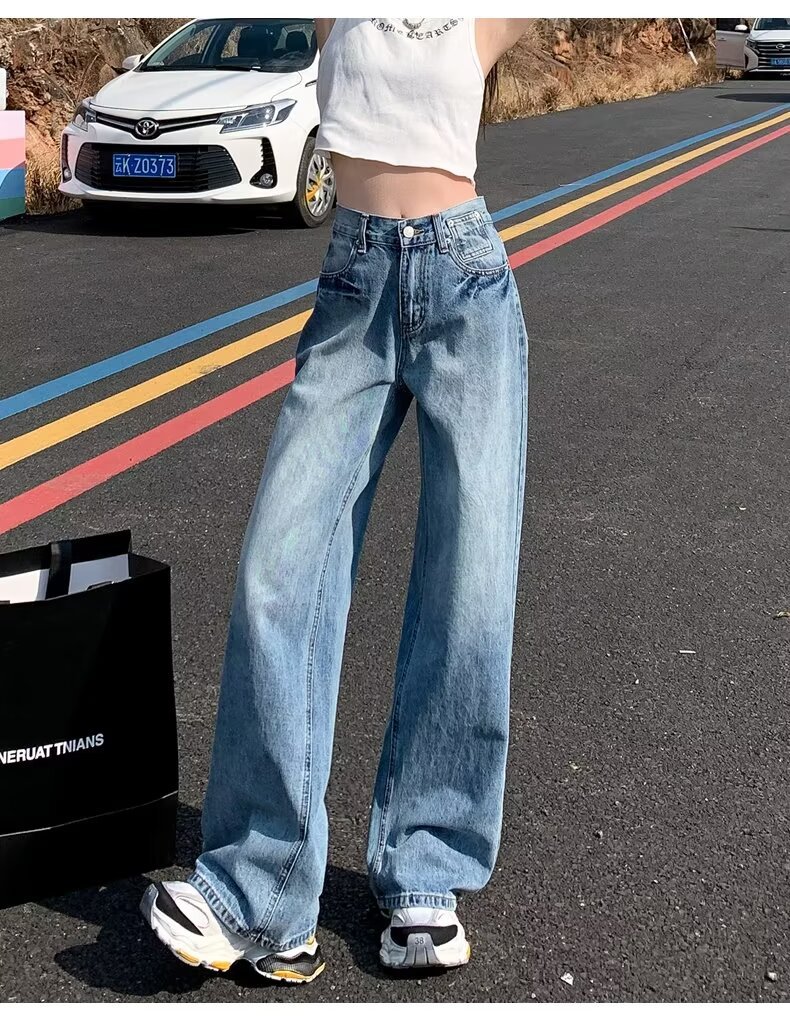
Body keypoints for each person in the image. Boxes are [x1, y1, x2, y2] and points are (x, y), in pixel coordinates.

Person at [141, 16, 532, 984]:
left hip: (467, 285)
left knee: (469, 587)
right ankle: (262, 892)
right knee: (279, 570)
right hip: (354, 282)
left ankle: (427, 869)